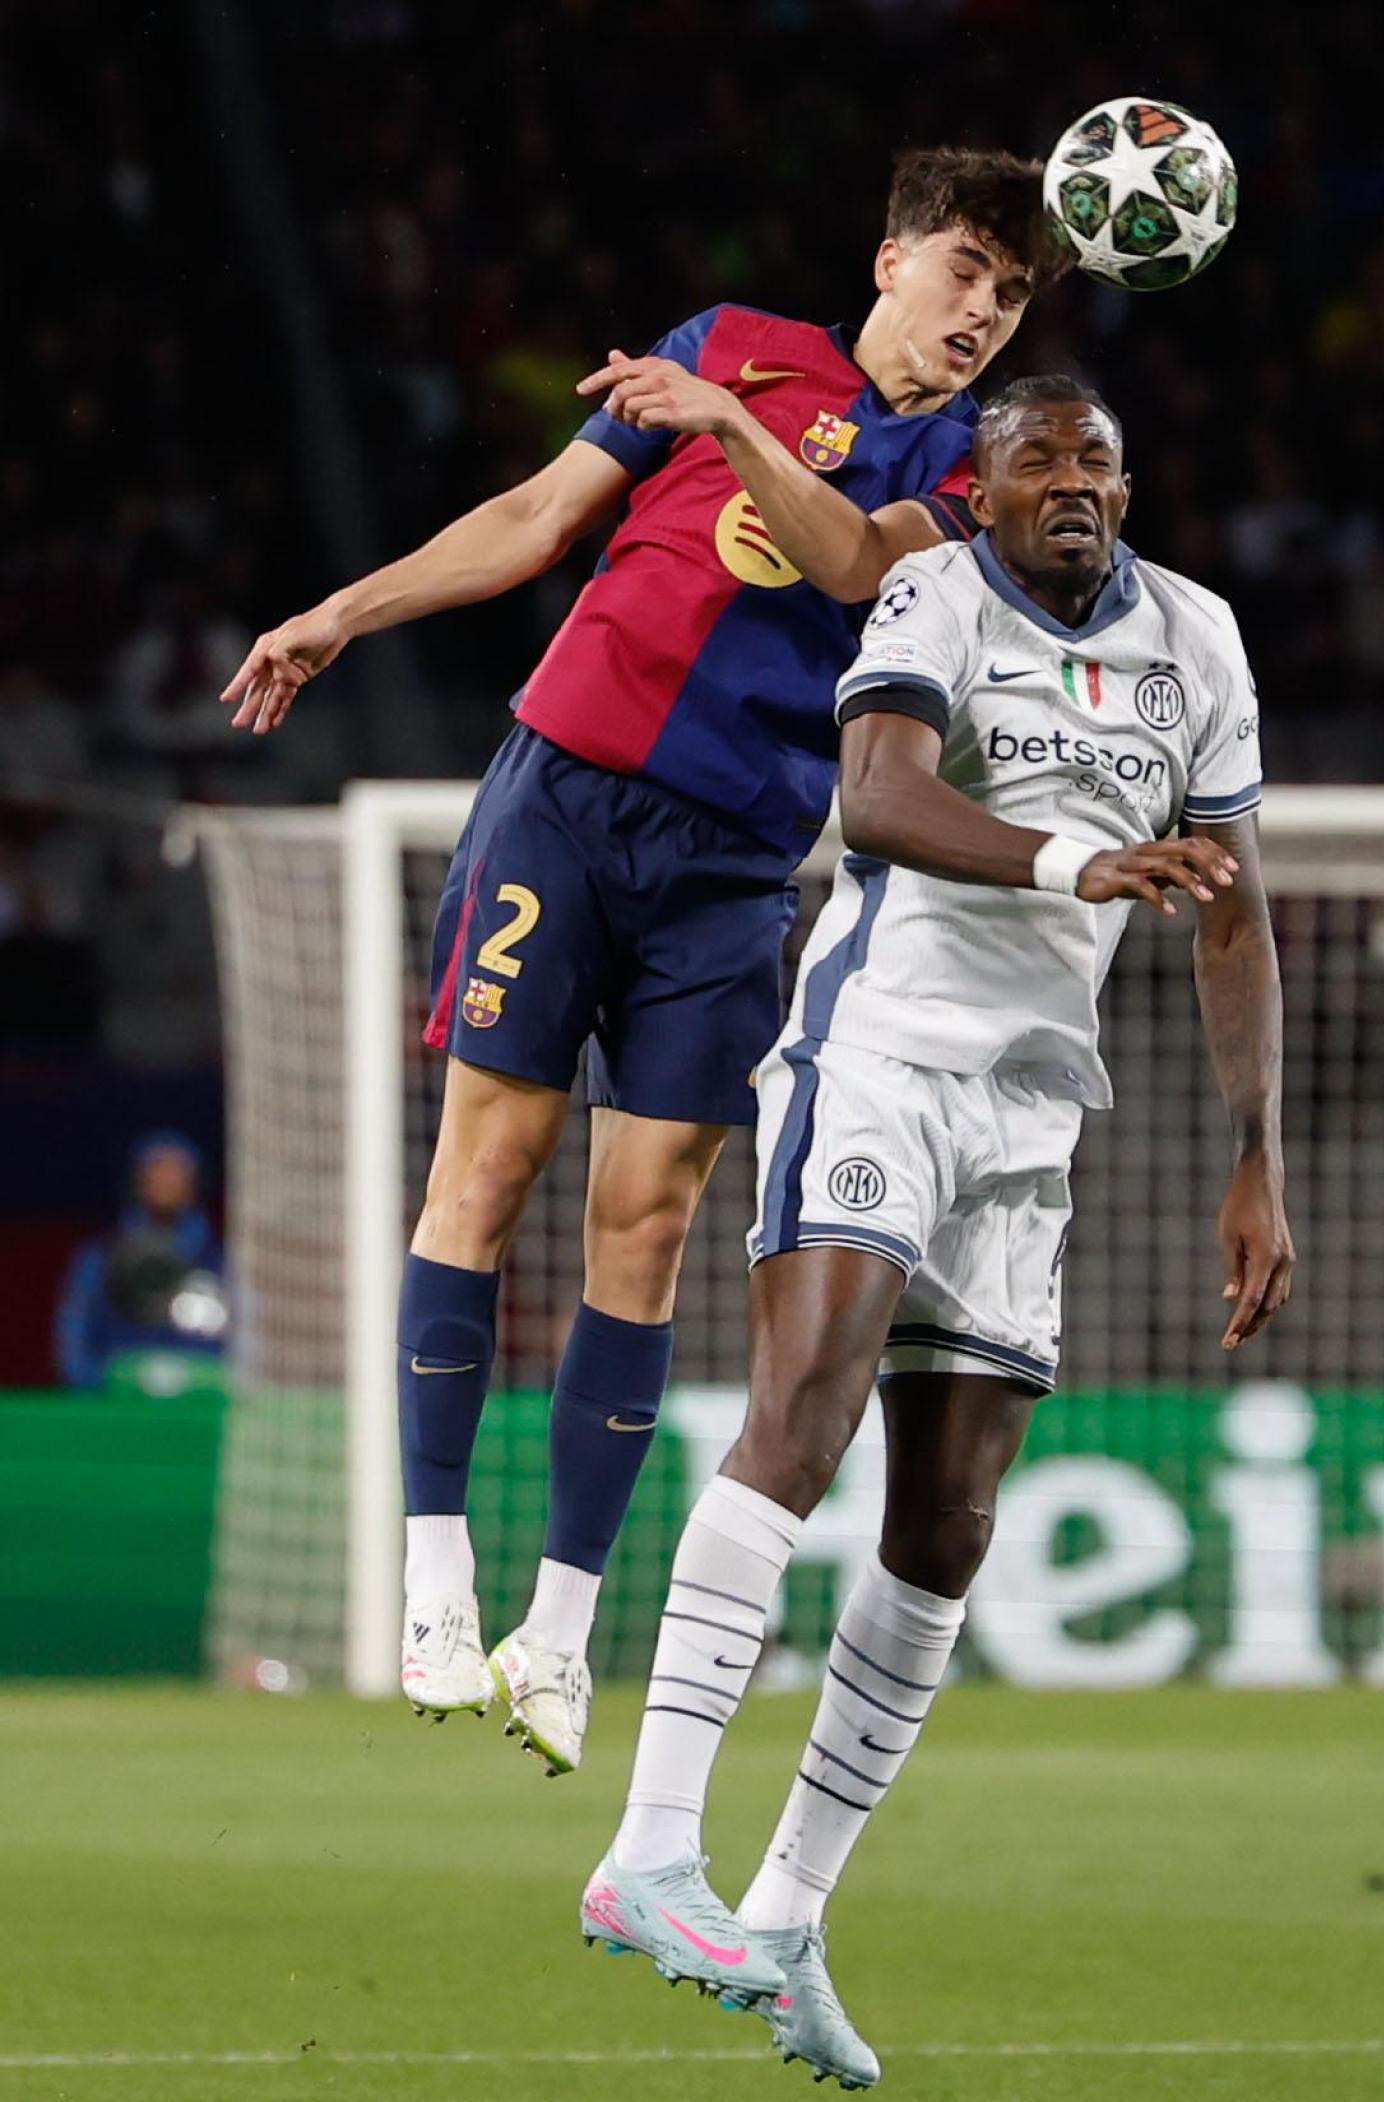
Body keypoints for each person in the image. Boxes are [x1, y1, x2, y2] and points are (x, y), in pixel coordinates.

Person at [220, 152, 1070, 1773]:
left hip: (738, 865)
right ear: (890, 257)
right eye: (964, 270)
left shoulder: (974, 462)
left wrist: (732, 427)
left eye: (1011, 295)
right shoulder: (736, 336)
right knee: (488, 1163)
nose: (981, 314)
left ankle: (557, 1632)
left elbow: (855, 565)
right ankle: (433, 1585)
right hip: (562, 793)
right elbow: (538, 518)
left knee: (651, 1220)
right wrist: (342, 611)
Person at [579, 377, 1296, 2086]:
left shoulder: (1196, 638)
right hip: (881, 1052)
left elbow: (1236, 911)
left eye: (1098, 460)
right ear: (979, 493)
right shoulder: (932, 592)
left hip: (1035, 1110)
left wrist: (1259, 1154)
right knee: (806, 1407)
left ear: (1129, 487)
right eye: (1036, 458)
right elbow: (882, 801)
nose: (1070, 482)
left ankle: (784, 1917)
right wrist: (1072, 866)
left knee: (954, 1519)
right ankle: (650, 1847)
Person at [55, 1133, 226, 1390]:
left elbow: (245, 1340)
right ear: (138, 1181)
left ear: (195, 1183)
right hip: (116, 1406)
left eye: (177, 1172)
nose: (167, 1181)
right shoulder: (100, 1256)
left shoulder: (221, 1263)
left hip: (200, 1404)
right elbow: (74, 1336)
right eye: (158, 1171)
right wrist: (92, 1391)